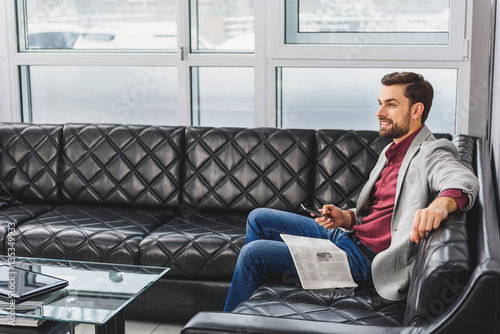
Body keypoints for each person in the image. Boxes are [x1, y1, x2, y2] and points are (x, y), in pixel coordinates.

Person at [223, 72, 480, 312]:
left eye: (391, 104)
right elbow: (382, 212)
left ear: (416, 110)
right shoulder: (392, 150)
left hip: (363, 259)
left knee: (253, 255)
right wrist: (347, 217)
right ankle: (258, 308)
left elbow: (461, 178)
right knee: (258, 217)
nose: (380, 112)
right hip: (347, 235)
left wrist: (441, 204)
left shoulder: (430, 151)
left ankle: (227, 325)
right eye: (380, 103)